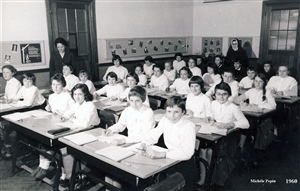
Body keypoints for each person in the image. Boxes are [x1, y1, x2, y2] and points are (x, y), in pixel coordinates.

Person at [140, 96, 196, 190]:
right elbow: (154, 134)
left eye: (176, 112)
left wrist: (163, 154)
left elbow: (187, 153)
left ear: (183, 112)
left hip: (184, 166)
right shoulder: (165, 120)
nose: (172, 116)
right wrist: (144, 143)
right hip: (170, 161)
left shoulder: (188, 126)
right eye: (169, 112)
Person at [104, 86, 155, 190]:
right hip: (130, 143)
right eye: (131, 101)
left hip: (142, 146)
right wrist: (111, 129)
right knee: (110, 166)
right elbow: (121, 125)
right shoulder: (128, 110)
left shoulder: (148, 112)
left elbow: (144, 136)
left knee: (119, 169)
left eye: (137, 101)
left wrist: (123, 140)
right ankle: (110, 188)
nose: (134, 104)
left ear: (143, 100)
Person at [32, 73, 75, 180]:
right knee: (41, 140)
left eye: (58, 84)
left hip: (65, 125)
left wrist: (62, 114)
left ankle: (45, 167)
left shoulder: (68, 96)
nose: (55, 87)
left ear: (63, 85)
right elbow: (52, 109)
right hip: (53, 122)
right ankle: (41, 166)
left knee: (48, 142)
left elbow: (73, 110)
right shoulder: (51, 96)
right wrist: (49, 108)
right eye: (53, 84)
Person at [210, 82, 249, 189]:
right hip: (215, 133)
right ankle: (209, 177)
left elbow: (246, 124)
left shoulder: (233, 107)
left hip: (229, 136)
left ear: (229, 95)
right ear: (215, 94)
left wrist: (232, 124)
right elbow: (210, 116)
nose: (221, 97)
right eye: (218, 94)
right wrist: (209, 119)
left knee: (222, 154)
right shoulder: (212, 104)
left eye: (224, 94)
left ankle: (219, 182)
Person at [60, 84, 100, 180]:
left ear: (85, 95)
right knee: (63, 146)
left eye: (80, 94)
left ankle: (74, 176)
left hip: (92, 131)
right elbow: (69, 112)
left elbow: (85, 123)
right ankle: (69, 174)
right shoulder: (77, 104)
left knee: (66, 148)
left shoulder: (90, 105)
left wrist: (73, 120)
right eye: (75, 94)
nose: (77, 97)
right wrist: (65, 116)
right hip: (80, 130)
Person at [235, 73, 276, 155]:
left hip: (261, 118)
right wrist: (242, 103)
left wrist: (258, 105)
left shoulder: (267, 92)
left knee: (249, 125)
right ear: (253, 82)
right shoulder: (251, 91)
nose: (257, 83)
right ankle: (242, 146)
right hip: (250, 115)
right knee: (243, 123)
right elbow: (237, 100)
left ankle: (249, 146)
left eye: (260, 81)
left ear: (264, 82)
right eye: (256, 81)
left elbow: (273, 105)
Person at [0, 65, 21, 159]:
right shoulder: (8, 82)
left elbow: (11, 98)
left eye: (7, 72)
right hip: (9, 107)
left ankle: (8, 146)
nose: (5, 74)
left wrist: (5, 100)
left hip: (15, 109)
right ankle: (5, 144)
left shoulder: (15, 83)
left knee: (5, 125)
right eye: (3, 72)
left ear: (13, 73)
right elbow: (7, 96)